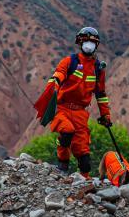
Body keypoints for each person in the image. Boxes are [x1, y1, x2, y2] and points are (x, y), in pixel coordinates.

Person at [47, 27, 111, 178]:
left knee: (84, 156)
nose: (89, 45)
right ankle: (62, 164)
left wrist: (106, 115)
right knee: (67, 131)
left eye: (92, 42)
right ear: (80, 43)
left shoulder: (97, 68)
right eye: (86, 41)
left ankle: (84, 181)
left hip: (80, 114)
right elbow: (59, 73)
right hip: (62, 108)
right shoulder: (70, 61)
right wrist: (55, 81)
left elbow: (101, 94)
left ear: (96, 45)